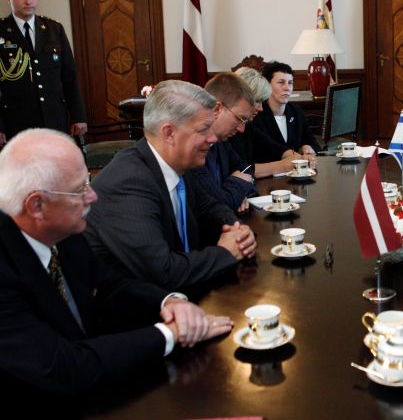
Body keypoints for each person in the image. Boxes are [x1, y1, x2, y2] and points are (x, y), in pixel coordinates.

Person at [0, 128, 233, 398]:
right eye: (79, 190)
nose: (92, 196)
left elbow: (110, 285)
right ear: (36, 206)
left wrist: (169, 303)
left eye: (88, 182)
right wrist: (170, 334)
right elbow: (63, 366)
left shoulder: (62, 230)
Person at [84, 80, 257, 291]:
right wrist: (226, 253)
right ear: (169, 133)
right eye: (204, 130)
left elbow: (209, 207)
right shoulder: (128, 183)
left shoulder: (179, 163)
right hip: (139, 305)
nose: (212, 138)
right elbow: (163, 272)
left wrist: (237, 230)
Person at [0, 0, 87, 147]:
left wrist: (78, 116)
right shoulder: (2, 30)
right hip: (16, 120)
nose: (28, 1)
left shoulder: (53, 29)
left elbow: (69, 76)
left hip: (54, 117)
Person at [188, 72, 257, 213]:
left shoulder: (222, 141)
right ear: (218, 108)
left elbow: (247, 170)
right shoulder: (193, 148)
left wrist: (239, 194)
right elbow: (219, 203)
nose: (241, 129)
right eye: (239, 119)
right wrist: (237, 186)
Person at [229, 66, 304, 178]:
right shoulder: (227, 130)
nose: (261, 108)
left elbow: (269, 145)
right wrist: (283, 165)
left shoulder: (248, 125)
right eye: (257, 101)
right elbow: (240, 169)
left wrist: (297, 157)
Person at [251, 61, 321, 164]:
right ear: (267, 84)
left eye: (290, 83)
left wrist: (308, 148)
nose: (287, 88)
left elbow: (312, 142)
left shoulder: (296, 112)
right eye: (281, 82)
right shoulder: (256, 114)